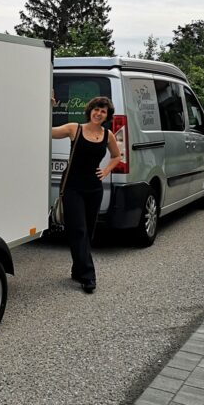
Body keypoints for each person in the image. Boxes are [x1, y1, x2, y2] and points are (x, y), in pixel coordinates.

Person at [51, 96, 121, 293]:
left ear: (107, 115)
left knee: (88, 231)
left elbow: (117, 156)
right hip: (72, 188)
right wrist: (48, 107)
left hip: (94, 189)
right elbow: (49, 131)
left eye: (103, 111)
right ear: (90, 110)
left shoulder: (108, 135)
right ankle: (89, 276)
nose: (99, 113)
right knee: (79, 230)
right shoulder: (75, 129)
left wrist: (106, 170)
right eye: (96, 109)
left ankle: (77, 269)